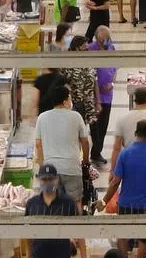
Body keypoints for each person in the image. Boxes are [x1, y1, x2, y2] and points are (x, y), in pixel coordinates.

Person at [33, 80, 91, 209]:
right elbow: (85, 141)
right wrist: (86, 161)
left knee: (51, 204)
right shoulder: (76, 117)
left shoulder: (42, 117)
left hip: (50, 170)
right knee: (75, 204)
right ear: (65, 101)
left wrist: (43, 165)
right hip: (72, 168)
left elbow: (38, 144)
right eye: (70, 98)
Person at [111, 119, 146, 214]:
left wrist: (104, 201)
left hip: (126, 205)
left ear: (135, 133)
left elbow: (115, 181)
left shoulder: (124, 154)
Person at [108, 87, 146, 171]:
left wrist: (112, 171)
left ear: (135, 100)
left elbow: (117, 148)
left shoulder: (123, 118)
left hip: (129, 163)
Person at [87, 28, 117, 168]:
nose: (106, 41)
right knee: (95, 127)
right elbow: (90, 74)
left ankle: (96, 152)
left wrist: (112, 83)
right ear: (97, 37)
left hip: (108, 95)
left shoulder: (111, 48)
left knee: (103, 127)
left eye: (108, 38)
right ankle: (95, 152)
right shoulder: (90, 50)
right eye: (104, 38)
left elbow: (115, 69)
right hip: (95, 97)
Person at [64, 36, 97, 126]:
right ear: (77, 48)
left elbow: (94, 80)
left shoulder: (88, 61)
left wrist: (97, 102)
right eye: (84, 47)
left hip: (88, 103)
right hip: (74, 103)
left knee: (84, 128)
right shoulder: (66, 63)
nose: (87, 49)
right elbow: (63, 83)